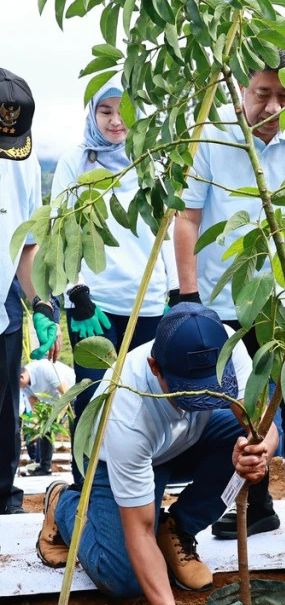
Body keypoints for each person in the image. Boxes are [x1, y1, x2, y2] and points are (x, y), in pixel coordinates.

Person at [36, 303, 277, 605]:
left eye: (212, 389)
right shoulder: (128, 411)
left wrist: (259, 452)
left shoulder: (227, 347)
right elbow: (139, 529)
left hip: (183, 442)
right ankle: (64, 503)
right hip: (117, 460)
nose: (204, 400)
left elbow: (261, 425)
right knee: (121, 578)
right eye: (190, 392)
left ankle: (179, 526)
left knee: (263, 434)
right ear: (155, 368)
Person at [174, 50, 285, 551]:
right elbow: (187, 219)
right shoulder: (211, 134)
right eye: (261, 94)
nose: (272, 106)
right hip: (225, 298)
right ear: (243, 89)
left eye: (284, 96)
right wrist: (189, 297)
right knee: (237, 404)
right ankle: (253, 504)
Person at [51, 80, 178, 483]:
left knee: (145, 401)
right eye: (105, 111)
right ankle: (85, 488)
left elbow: (169, 229)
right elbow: (60, 227)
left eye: (123, 110)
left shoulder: (152, 159)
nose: (115, 120)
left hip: (148, 302)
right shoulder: (77, 160)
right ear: (92, 113)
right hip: (96, 306)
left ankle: (141, 491)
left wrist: (174, 291)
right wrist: (77, 291)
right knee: (92, 400)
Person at [0, 68, 60, 515]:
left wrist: (38, 300)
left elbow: (25, 243)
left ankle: (4, 499)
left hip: (4, 301)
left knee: (4, 407)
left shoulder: (22, 163)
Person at [20, 359, 75, 475]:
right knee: (44, 429)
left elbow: (67, 394)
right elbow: (36, 407)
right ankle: (45, 467)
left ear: (21, 377)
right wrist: (35, 428)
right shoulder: (23, 385)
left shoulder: (45, 368)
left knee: (75, 429)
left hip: (73, 394)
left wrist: (57, 419)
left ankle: (78, 465)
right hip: (54, 402)